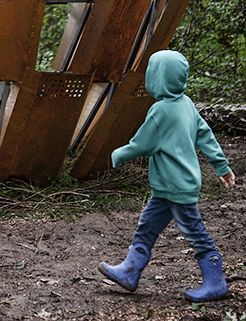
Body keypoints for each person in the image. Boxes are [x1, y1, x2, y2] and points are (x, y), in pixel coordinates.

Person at [98, 49, 235, 302]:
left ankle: (216, 282)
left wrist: (118, 154)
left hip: (176, 187)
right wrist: (222, 166)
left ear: (157, 78)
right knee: (147, 226)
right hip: (169, 186)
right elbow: (205, 135)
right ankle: (129, 272)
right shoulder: (187, 103)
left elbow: (143, 144)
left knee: (195, 233)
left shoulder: (161, 110)